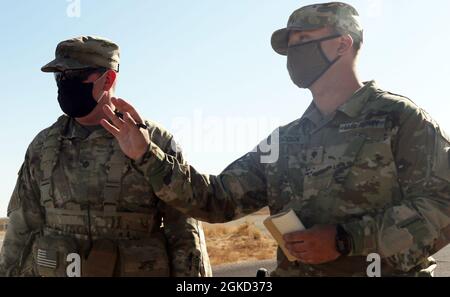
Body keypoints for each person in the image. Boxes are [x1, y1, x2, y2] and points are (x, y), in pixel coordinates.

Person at [100, 2, 450, 276]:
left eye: (304, 41)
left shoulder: (400, 120)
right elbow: (216, 199)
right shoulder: (286, 140)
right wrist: (146, 154)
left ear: (343, 44)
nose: (294, 54)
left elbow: (443, 207)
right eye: (291, 47)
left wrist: (347, 239)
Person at [0, 36, 211, 277]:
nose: (63, 83)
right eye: (59, 75)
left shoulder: (153, 143)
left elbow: (184, 233)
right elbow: (20, 231)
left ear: (108, 78)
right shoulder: (42, 147)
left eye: (74, 75)